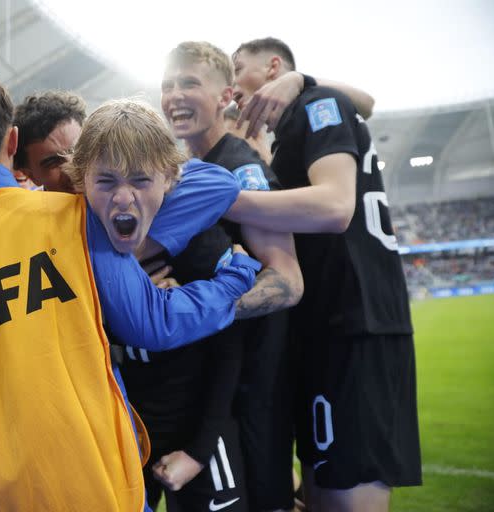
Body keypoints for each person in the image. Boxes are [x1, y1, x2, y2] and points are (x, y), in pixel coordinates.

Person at [0, 70, 261, 511]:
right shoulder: (71, 217)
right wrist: (238, 274)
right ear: (14, 141)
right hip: (89, 481)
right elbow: (155, 321)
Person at [225, 37, 421, 511]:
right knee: (320, 487)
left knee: (345, 489)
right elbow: (366, 105)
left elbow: (334, 207)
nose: (232, 87)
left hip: (356, 323)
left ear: (274, 67)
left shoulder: (315, 102)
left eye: (239, 70)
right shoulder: (295, 127)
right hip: (330, 324)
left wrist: (216, 197)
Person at [119, 40, 303, 512]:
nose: (174, 96)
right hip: (206, 389)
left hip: (249, 386)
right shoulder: (188, 172)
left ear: (225, 96)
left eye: (189, 83)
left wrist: (185, 309)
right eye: (167, 85)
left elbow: (286, 283)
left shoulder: (240, 169)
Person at [12, 90, 86, 192]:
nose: (72, 169)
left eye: (78, 151)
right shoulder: (28, 207)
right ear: (31, 176)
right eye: (53, 162)